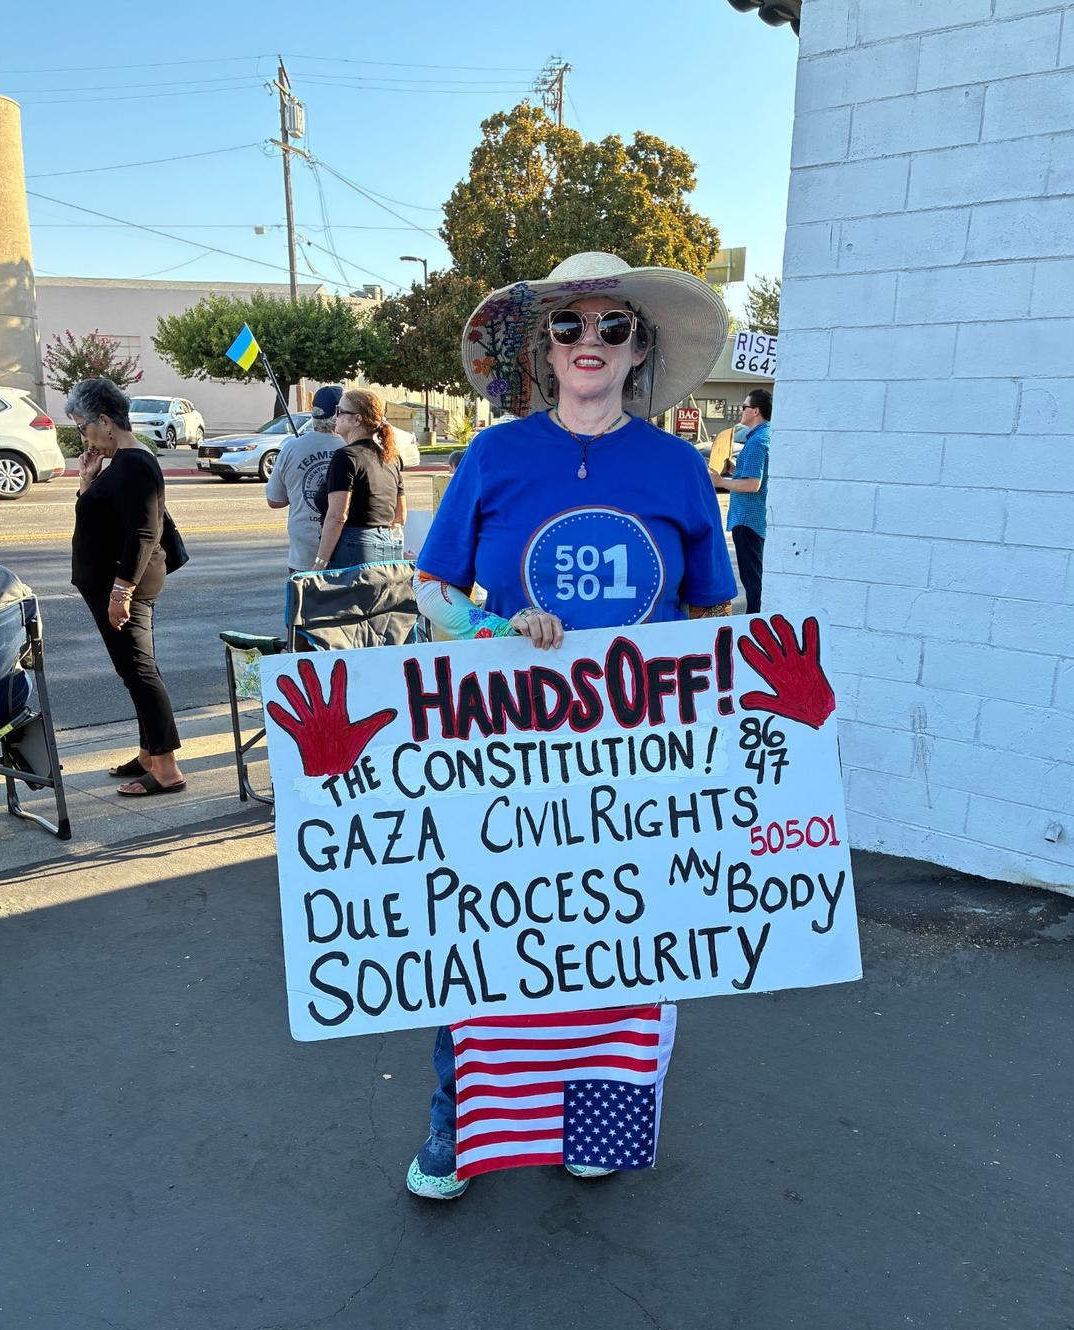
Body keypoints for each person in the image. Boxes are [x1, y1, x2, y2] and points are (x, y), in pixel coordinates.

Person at [408, 249, 737, 1200]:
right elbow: (434, 588)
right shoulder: (494, 455)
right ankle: (457, 1131)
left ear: (640, 350)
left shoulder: (678, 468)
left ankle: (595, 1126)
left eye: (612, 326)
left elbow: (717, 609)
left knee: (622, 944)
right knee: (486, 938)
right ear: (542, 350)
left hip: (641, 758)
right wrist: (494, 628)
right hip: (510, 750)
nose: (589, 340)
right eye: (568, 325)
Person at [66, 377, 185, 797]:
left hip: (124, 584)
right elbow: (102, 517)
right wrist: (87, 481)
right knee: (132, 671)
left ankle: (167, 769)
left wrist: (121, 592)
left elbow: (143, 532)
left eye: (83, 427)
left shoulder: (136, 463)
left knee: (139, 671)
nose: (84, 436)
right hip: (114, 582)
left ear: (104, 420)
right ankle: (148, 753)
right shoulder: (121, 463)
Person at [311, 389, 406, 572]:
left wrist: (320, 562)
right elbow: (400, 515)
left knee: (348, 601)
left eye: (340, 411)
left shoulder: (346, 457)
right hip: (386, 547)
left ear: (357, 419)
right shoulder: (389, 458)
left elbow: (338, 516)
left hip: (352, 549)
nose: (335, 416)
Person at [265, 385, 344, 575]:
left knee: (302, 604)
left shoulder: (291, 448)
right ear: (339, 414)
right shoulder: (352, 447)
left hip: (302, 555)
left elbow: (275, 500)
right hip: (345, 551)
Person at [712, 388, 772, 614]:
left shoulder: (758, 441)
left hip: (748, 519)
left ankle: (754, 621)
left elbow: (753, 484)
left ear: (755, 411)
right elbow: (753, 475)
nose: (741, 409)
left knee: (752, 578)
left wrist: (721, 481)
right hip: (751, 518)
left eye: (745, 406)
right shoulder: (762, 436)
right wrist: (734, 469)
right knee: (754, 575)